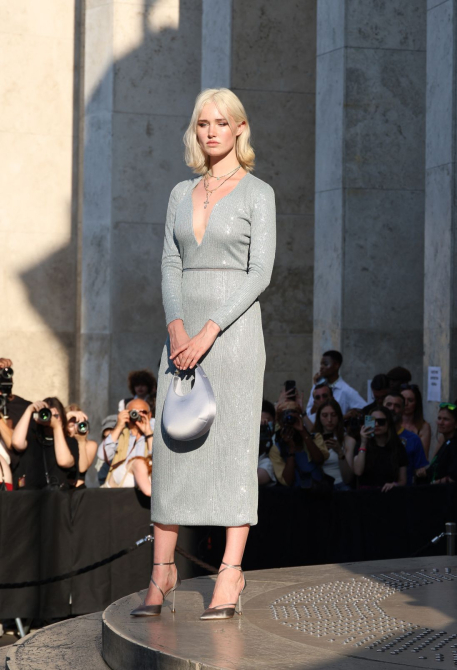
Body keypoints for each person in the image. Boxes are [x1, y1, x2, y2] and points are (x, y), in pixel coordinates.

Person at [134, 88, 276, 621]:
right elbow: (170, 263)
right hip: (179, 335)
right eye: (202, 123)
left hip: (233, 337)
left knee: (233, 450)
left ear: (240, 128)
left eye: (221, 122)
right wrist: (176, 327)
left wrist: (210, 331)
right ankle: (162, 573)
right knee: (172, 446)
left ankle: (231, 573)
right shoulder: (179, 192)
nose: (211, 131)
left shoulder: (259, 193)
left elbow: (259, 273)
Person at [11, 398, 78, 490]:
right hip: (28, 496)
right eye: (46, 414)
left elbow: (64, 462)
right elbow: (17, 443)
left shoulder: (70, 441)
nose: (50, 418)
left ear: (62, 418)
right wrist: (29, 410)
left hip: (57, 497)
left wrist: (57, 427)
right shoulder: (32, 436)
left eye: (55, 416)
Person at [268, 401, 329, 488]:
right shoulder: (276, 449)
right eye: (286, 418)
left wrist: (303, 431)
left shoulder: (315, 437)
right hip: (295, 496)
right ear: (280, 422)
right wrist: (291, 450)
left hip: (318, 491)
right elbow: (288, 481)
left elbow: (319, 460)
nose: (290, 422)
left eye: (293, 418)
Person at [98, 400, 153, 488]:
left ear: (150, 415)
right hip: (120, 486)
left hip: (146, 483)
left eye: (142, 412)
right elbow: (102, 455)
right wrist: (119, 426)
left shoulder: (155, 433)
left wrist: (148, 433)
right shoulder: (121, 433)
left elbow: (156, 459)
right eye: (133, 412)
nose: (138, 415)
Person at [353, 406, 407, 491]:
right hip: (366, 495)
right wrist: (364, 442)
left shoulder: (398, 447)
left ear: (388, 423)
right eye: (372, 421)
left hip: (389, 494)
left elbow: (403, 480)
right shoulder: (361, 444)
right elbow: (358, 471)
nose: (377, 424)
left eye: (381, 421)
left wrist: (395, 484)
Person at [416, 403, 457, 485]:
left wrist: (435, 483)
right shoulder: (447, 442)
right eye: (439, 418)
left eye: (446, 419)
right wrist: (424, 473)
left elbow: (456, 477)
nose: (441, 422)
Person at [383, 392, 428, 485]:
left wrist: (421, 472)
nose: (392, 408)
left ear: (403, 410)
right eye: (388, 405)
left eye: (397, 406)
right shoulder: (372, 435)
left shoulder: (413, 439)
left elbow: (420, 468)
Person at [306, 350, 365, 421]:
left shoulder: (346, 390)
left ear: (336, 365)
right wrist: (317, 405)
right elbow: (308, 413)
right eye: (321, 364)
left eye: (325, 364)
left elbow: (366, 409)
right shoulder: (317, 386)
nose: (321, 367)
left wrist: (348, 416)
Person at [313, 398, 354, 490]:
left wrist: (340, 452)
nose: (329, 420)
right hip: (320, 487)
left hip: (341, 484)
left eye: (333, 415)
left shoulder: (348, 440)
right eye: (324, 415)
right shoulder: (313, 439)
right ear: (319, 417)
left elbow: (348, 479)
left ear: (339, 417)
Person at [65, 404, 98, 487]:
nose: (76, 428)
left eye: (79, 424)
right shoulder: (59, 442)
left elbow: (82, 468)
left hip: (78, 489)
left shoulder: (90, 445)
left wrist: (81, 441)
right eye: (72, 425)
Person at [400, 383, 432, 459]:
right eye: (403, 400)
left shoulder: (423, 427)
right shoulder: (392, 423)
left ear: (416, 403)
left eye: (410, 400)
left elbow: (422, 458)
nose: (406, 403)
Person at [258, 400, 276, 486]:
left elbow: (258, 478)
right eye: (260, 421)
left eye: (267, 420)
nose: (264, 424)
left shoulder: (277, 441)